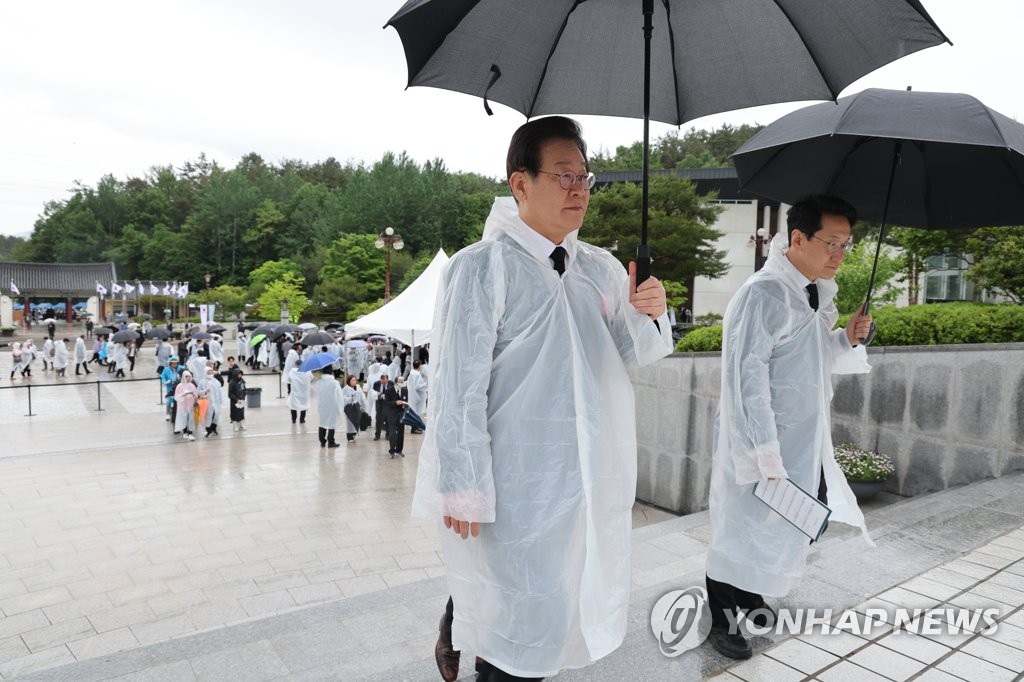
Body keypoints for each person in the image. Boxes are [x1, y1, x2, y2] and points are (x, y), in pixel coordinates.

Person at [413, 116, 672, 681]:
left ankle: (465, 617)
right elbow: (457, 387)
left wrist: (651, 307)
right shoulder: (481, 269)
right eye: (563, 176)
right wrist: (462, 483)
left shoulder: (600, 269)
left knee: (556, 596)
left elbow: (637, 351)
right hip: (511, 473)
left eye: (585, 177)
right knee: (516, 626)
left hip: (579, 470)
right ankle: (470, 630)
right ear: (520, 183)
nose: (578, 190)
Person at [704, 195, 875, 660]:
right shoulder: (764, 294)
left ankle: (750, 595)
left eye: (846, 245)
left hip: (801, 436)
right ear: (797, 238)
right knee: (738, 524)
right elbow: (746, 377)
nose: (839, 254)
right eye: (831, 243)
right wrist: (762, 450)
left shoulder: (813, 291)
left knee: (777, 523)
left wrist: (846, 337)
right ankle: (720, 617)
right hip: (759, 436)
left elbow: (811, 360)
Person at [314, 371, 341, 448]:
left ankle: (322, 441)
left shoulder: (319, 382)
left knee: (322, 423)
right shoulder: (335, 383)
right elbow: (339, 395)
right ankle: (331, 442)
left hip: (322, 406)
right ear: (331, 373)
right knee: (331, 424)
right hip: (332, 406)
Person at [384, 376, 409, 458]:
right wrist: (395, 402)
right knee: (392, 434)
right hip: (392, 414)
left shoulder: (405, 390)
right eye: (400, 382)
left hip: (401, 414)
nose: (402, 383)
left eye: (403, 381)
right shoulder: (388, 391)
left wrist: (404, 406)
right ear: (396, 382)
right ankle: (392, 450)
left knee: (401, 434)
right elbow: (387, 403)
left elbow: (406, 401)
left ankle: (399, 450)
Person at [198, 366, 223, 438]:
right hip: (207, 402)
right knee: (208, 416)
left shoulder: (216, 381)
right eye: (208, 372)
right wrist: (205, 391)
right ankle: (208, 431)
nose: (210, 373)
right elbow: (198, 391)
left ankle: (214, 429)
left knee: (216, 415)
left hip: (216, 402)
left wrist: (220, 400)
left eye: (211, 372)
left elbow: (219, 390)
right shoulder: (202, 382)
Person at [174, 370, 199, 441]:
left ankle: (190, 433)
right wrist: (183, 395)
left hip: (190, 406)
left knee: (190, 419)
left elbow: (196, 394)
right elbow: (177, 396)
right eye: (186, 376)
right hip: (183, 406)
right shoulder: (179, 386)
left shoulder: (192, 385)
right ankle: (185, 432)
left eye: (189, 376)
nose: (188, 378)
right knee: (184, 419)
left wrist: (194, 396)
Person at [406, 360, 428, 433]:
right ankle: (414, 429)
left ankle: (415, 427)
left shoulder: (411, 374)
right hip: (417, 396)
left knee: (414, 412)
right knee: (416, 412)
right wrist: (427, 384)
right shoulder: (417, 375)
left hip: (412, 395)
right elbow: (418, 386)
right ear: (419, 366)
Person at [341, 374, 363, 442]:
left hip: (357, 406)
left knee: (357, 420)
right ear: (349, 381)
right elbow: (342, 398)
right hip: (349, 407)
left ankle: (354, 433)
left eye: (355, 380)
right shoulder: (345, 389)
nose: (354, 382)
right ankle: (349, 437)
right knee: (350, 421)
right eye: (353, 380)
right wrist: (350, 398)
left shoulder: (358, 387)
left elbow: (362, 397)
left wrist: (363, 406)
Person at [161, 357, 182, 421]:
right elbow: (163, 376)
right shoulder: (166, 369)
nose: (174, 364)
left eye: (176, 363)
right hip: (170, 387)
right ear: (170, 363)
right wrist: (165, 382)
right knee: (169, 400)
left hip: (179, 387)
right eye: (173, 363)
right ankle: (168, 414)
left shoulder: (180, 368)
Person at [372, 372, 390, 441]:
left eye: (385, 382)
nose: (383, 383)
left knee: (388, 419)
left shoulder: (391, 383)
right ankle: (377, 435)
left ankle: (388, 434)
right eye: (382, 382)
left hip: (387, 403)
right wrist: (377, 394)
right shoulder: (376, 383)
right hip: (379, 403)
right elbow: (372, 392)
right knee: (378, 419)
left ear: (387, 380)